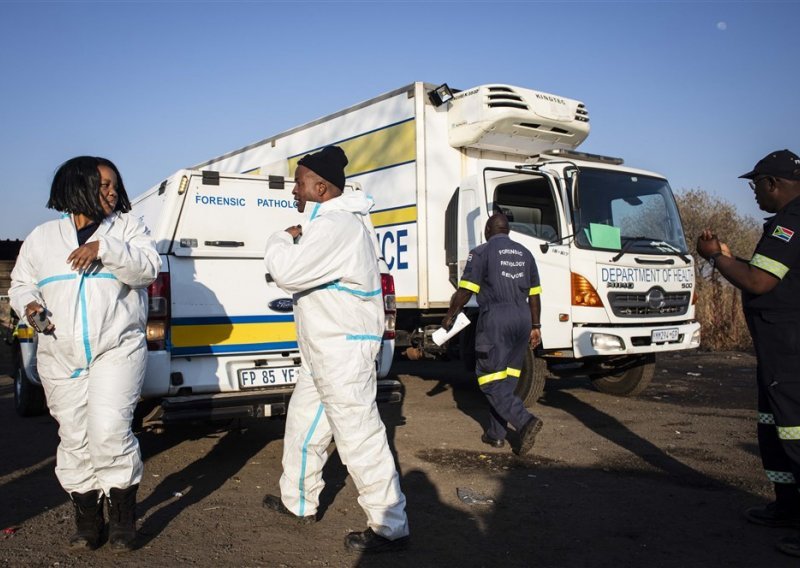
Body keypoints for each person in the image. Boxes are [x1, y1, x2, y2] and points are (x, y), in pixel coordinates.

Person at [261, 146, 409, 554]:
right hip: (323, 351)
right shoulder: (327, 225)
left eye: (300, 181)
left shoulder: (337, 226)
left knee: (359, 437)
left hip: (341, 352)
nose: (295, 189)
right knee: (303, 427)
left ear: (321, 187)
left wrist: (279, 238)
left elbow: (287, 272)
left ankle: (389, 526)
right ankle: (299, 503)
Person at [9, 156, 160, 552]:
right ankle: (88, 521)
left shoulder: (127, 229)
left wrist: (104, 248)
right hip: (60, 354)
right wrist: (29, 305)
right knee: (74, 438)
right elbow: (21, 283)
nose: (112, 192)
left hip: (117, 349)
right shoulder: (42, 237)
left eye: (114, 185)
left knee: (109, 431)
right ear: (76, 187)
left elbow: (147, 270)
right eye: (103, 185)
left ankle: (124, 519)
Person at [696, 149, 800, 558]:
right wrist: (725, 256)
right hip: (778, 352)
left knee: (794, 432)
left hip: (790, 352)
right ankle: (788, 508)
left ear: (773, 183)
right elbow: (763, 271)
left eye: (756, 185)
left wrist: (716, 257)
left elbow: (758, 282)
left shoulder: (791, 225)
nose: (755, 194)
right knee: (774, 430)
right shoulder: (785, 224)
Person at [442, 212, 544, 455]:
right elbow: (535, 295)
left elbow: (466, 290)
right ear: (507, 230)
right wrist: (536, 326)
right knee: (507, 379)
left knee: (488, 378)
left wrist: (450, 315)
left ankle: (525, 421)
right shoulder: (525, 253)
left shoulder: (481, 252)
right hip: (522, 319)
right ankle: (496, 435)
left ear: (488, 231)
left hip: (497, 318)